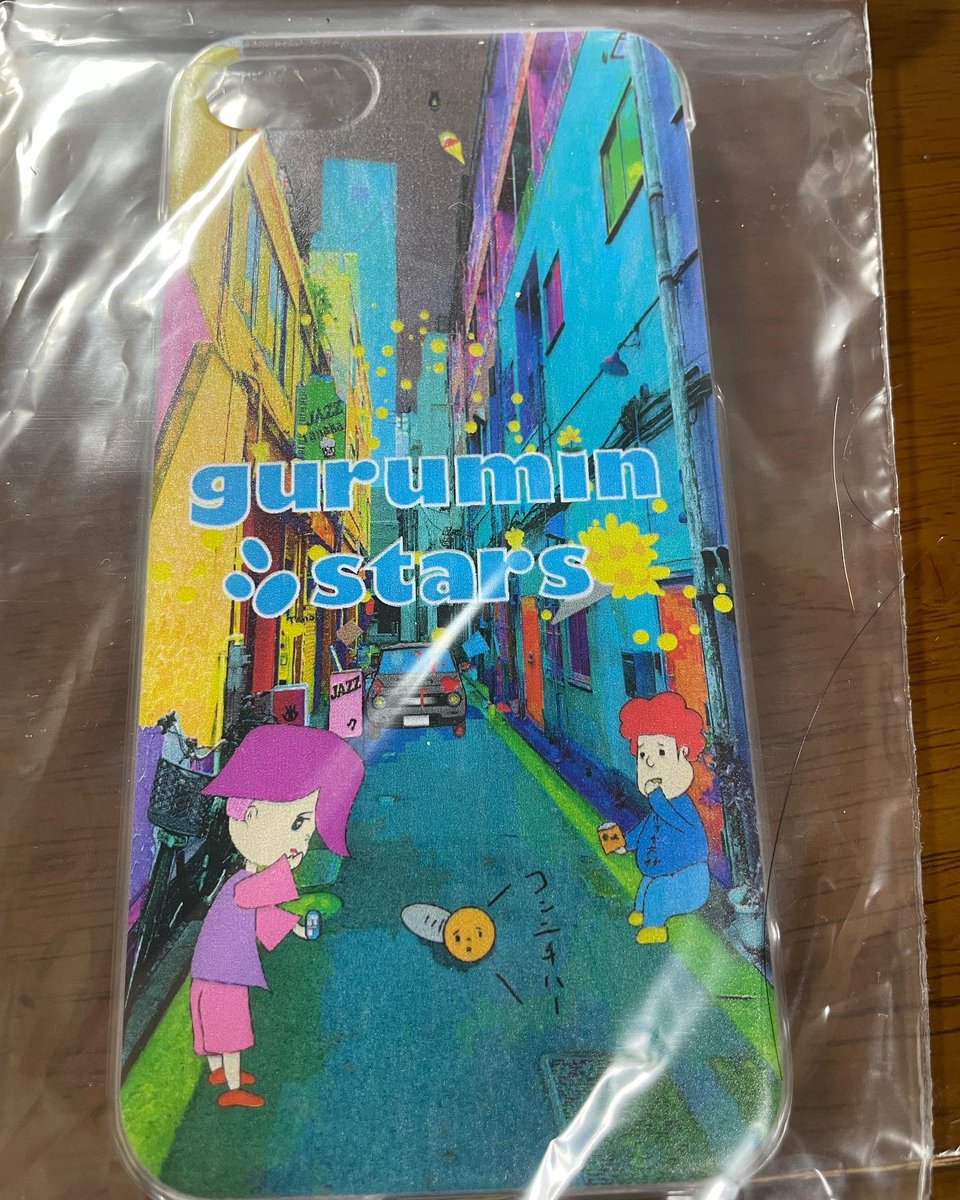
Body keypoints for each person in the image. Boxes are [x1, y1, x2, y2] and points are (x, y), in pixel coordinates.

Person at [189, 724, 364, 1108]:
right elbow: (262, 902)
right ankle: (232, 1088)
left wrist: (296, 929)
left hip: (215, 966)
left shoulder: (242, 880)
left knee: (214, 1025)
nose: (301, 843)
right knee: (230, 1030)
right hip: (224, 971)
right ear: (250, 815)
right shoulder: (246, 884)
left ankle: (219, 1070)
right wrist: (289, 896)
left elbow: (262, 916)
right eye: (297, 825)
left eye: (307, 829)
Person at [604, 692, 710, 945]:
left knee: (657, 892)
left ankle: (655, 927)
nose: (649, 761)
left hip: (689, 880)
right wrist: (625, 844)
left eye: (661, 752)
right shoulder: (658, 807)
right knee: (646, 887)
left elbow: (677, 822)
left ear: (682, 753)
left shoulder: (680, 804)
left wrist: (657, 797)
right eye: (643, 755)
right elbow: (644, 829)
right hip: (661, 874)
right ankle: (643, 913)